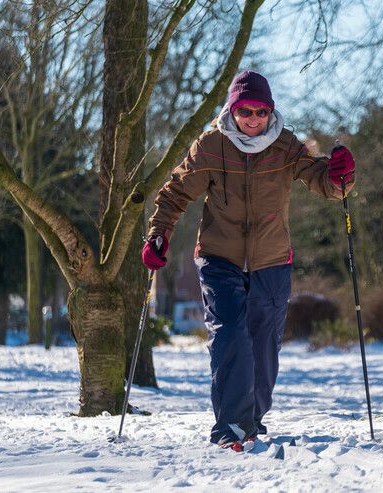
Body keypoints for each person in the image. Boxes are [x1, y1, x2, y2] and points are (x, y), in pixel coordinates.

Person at [142, 70, 355, 451]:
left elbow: (325, 182)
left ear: (270, 112)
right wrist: (159, 235)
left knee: (263, 345)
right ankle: (230, 427)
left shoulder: (286, 146)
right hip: (219, 257)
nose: (253, 119)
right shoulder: (211, 145)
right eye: (245, 112)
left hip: (271, 260)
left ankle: (250, 417)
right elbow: (175, 192)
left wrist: (341, 175)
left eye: (260, 111)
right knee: (229, 335)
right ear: (232, 110)